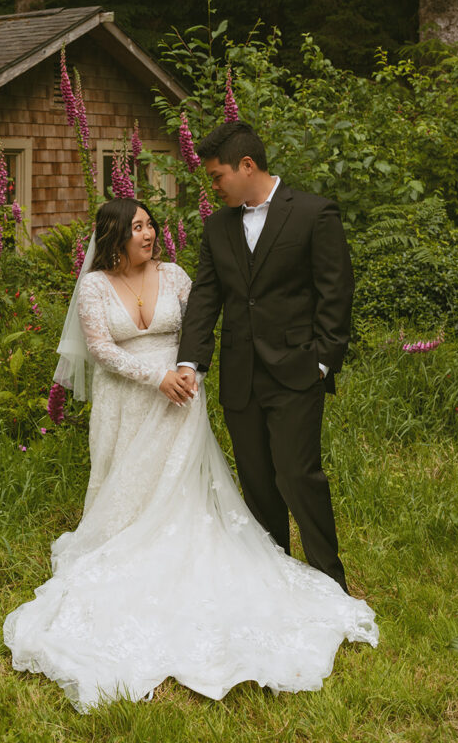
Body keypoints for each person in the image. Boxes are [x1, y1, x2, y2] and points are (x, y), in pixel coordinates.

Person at [3, 197, 377, 712]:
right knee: (126, 490)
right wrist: (153, 376)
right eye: (136, 228)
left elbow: (198, 326)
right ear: (113, 236)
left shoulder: (176, 275)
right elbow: (102, 350)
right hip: (127, 401)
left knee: (184, 494)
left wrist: (187, 373)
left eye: (150, 225)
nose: (148, 234)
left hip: (179, 397)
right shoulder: (93, 286)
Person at [178, 121, 353, 592]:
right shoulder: (217, 227)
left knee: (298, 476)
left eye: (217, 177)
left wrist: (321, 362)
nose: (213, 188)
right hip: (240, 375)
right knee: (257, 482)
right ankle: (276, 583)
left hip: (298, 370)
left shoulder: (314, 214)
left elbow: (335, 294)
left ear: (247, 165)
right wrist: (190, 362)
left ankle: (330, 583)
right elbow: (205, 299)